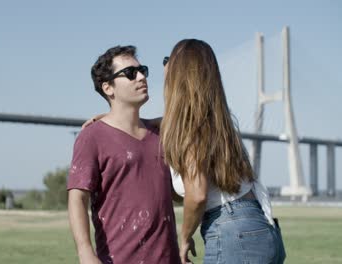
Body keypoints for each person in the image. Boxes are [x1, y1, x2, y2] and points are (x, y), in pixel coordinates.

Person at [161, 39, 286, 264]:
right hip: (260, 228)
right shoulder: (217, 123)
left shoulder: (191, 129)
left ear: (180, 72)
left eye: (168, 60)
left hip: (233, 234)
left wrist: (185, 236)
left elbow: (197, 195)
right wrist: (113, 121)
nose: (164, 67)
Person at [67, 45, 181, 264]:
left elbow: (189, 118)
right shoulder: (92, 137)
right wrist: (85, 252)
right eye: (130, 73)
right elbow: (77, 198)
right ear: (108, 88)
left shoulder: (161, 134)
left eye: (143, 70)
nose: (141, 77)